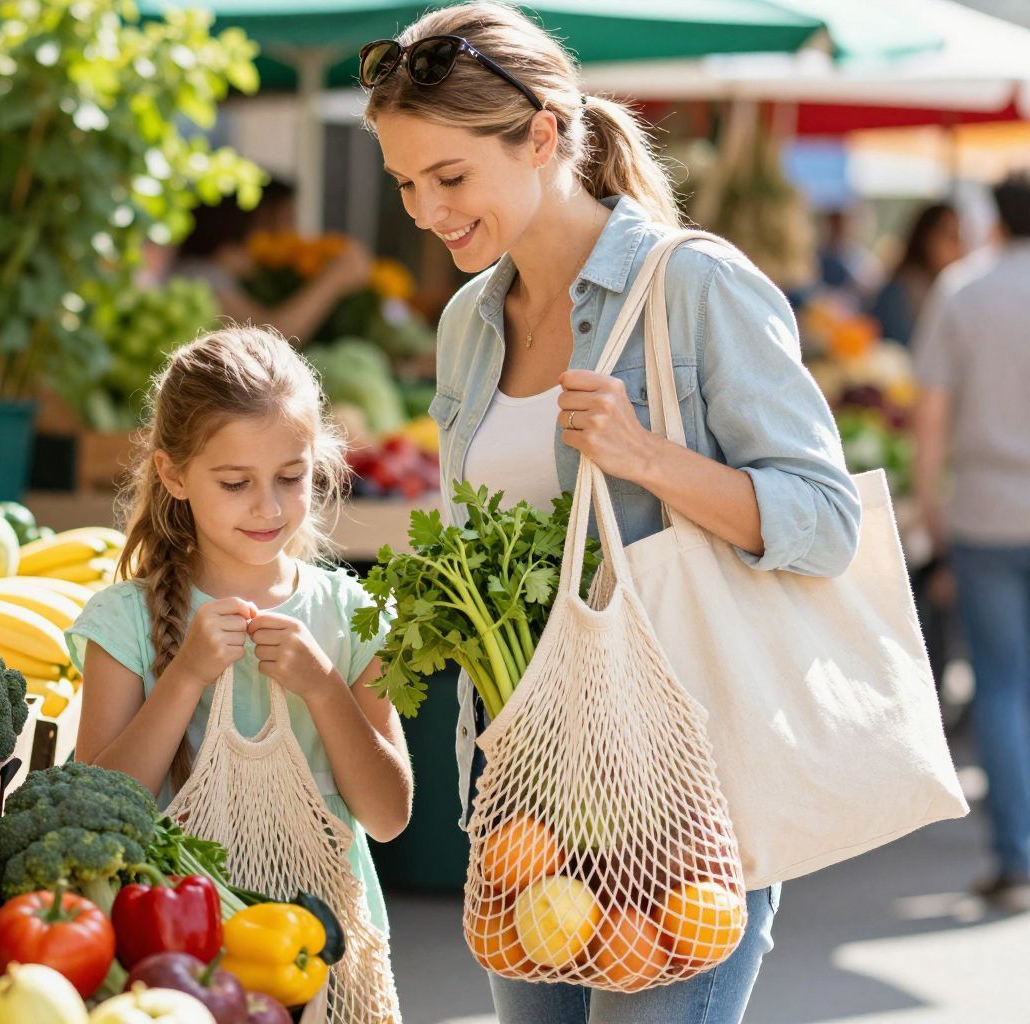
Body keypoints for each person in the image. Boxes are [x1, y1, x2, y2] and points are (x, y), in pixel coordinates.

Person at [360, 3, 860, 1021]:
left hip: (684, 796)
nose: (425, 210)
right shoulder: (467, 324)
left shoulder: (695, 285)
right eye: (406, 183)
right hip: (523, 791)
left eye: (449, 177)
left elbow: (826, 522)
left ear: (543, 136)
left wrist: (646, 458)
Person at [67, 325, 414, 935]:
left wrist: (324, 686)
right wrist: (185, 677)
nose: (268, 507)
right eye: (235, 483)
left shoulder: (351, 613)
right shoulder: (123, 621)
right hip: (175, 937)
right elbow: (99, 815)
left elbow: (388, 817)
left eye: (291, 477)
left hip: (323, 944)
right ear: (173, 475)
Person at [912, 172, 1030, 913]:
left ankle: (1017, 858)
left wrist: (932, 510)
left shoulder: (963, 290)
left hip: (986, 512)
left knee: (1001, 683)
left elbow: (930, 415)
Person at [170, 183, 376, 343]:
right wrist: (333, 280)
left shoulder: (221, 277)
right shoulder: (199, 278)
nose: (286, 236)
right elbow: (268, 338)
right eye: (276, 224)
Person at [868, 202, 964, 345]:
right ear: (928, 239)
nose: (960, 246)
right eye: (952, 237)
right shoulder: (900, 290)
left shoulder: (951, 286)